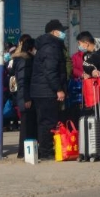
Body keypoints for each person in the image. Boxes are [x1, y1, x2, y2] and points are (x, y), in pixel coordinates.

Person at [30, 19, 68, 160]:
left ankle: (45, 149)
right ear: (53, 32)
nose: (63, 34)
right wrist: (58, 89)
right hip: (46, 91)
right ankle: (46, 151)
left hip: (42, 90)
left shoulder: (47, 46)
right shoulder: (51, 48)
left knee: (44, 122)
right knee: (48, 122)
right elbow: (51, 71)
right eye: (61, 31)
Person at [13, 38, 36, 159]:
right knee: (26, 126)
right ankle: (22, 152)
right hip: (25, 97)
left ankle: (26, 151)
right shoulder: (25, 61)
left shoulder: (23, 59)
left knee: (28, 125)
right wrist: (27, 98)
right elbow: (23, 81)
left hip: (25, 96)